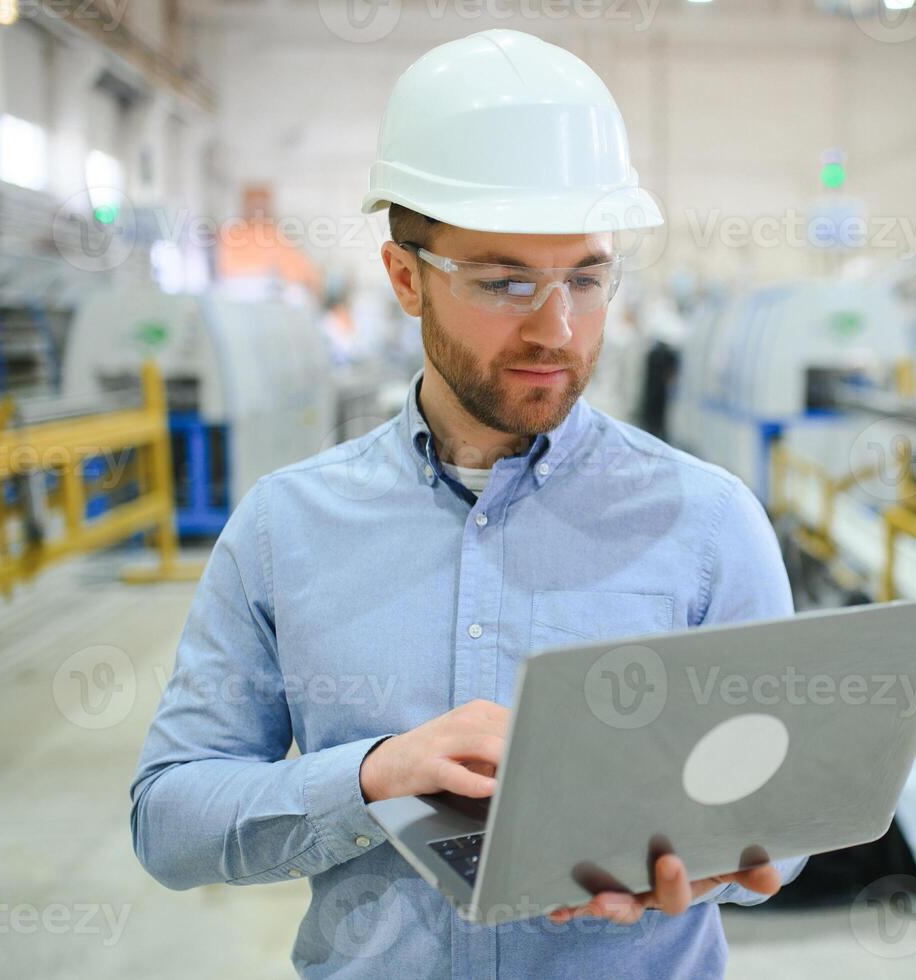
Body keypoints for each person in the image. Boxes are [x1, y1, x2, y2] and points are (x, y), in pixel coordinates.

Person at [129, 29, 804, 979]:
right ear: (406, 276)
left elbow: (783, 822)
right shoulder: (288, 527)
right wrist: (371, 779)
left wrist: (709, 856)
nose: (556, 327)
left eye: (586, 277)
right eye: (503, 282)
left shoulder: (707, 523)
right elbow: (170, 821)